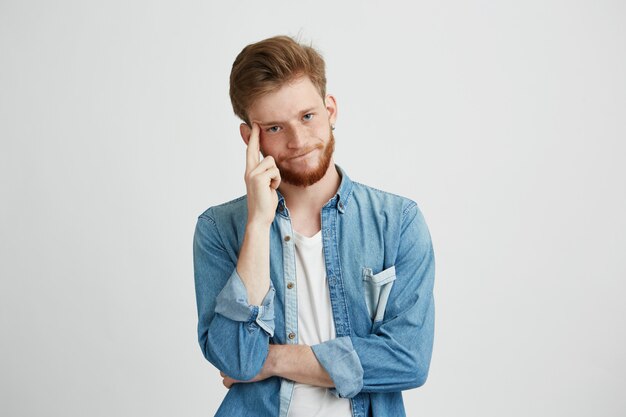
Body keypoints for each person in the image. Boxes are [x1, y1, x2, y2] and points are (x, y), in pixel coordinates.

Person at [193, 35, 436, 417]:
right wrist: (259, 223)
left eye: (307, 117)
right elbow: (237, 358)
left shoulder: (397, 222)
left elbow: (408, 360)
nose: (299, 141)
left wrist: (271, 360)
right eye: (274, 128)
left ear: (331, 110)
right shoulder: (219, 229)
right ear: (249, 139)